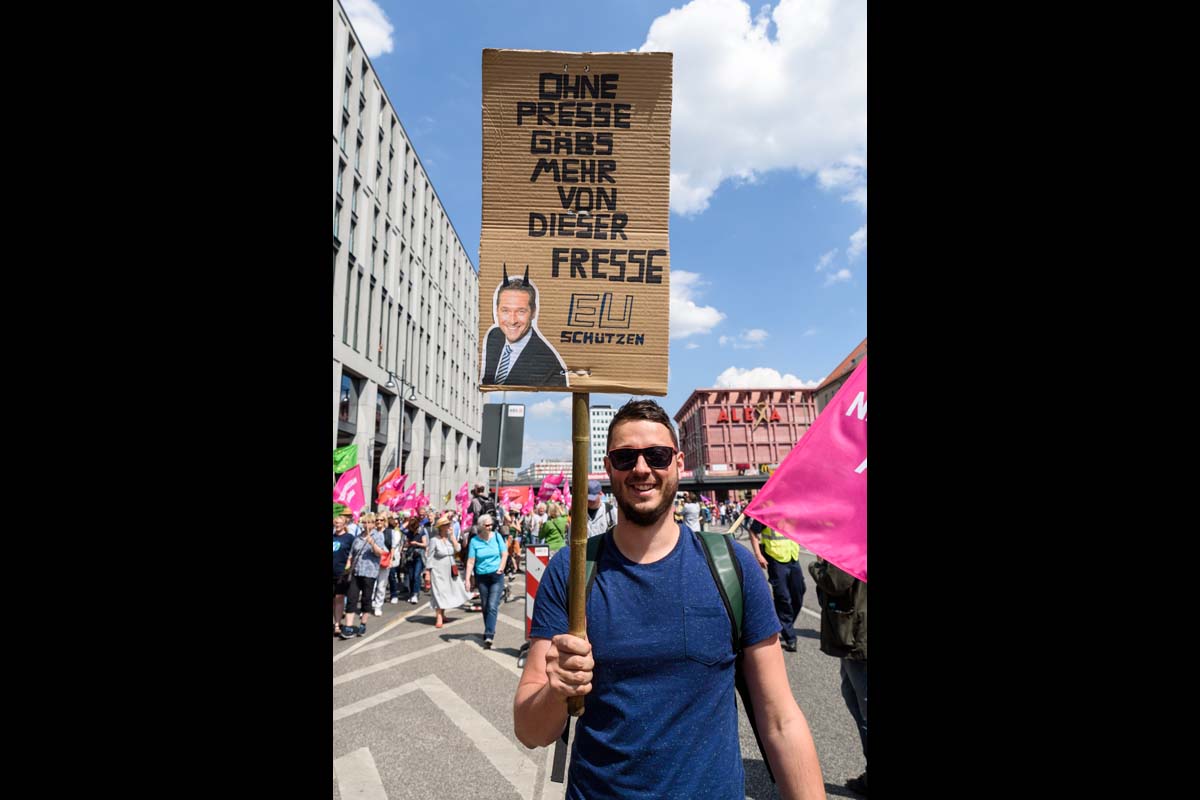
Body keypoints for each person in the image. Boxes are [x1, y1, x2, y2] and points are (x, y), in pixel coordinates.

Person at [514, 399, 826, 799]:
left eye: (656, 455)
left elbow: (781, 720)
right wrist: (557, 690)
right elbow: (530, 731)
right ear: (608, 469)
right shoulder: (571, 570)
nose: (641, 468)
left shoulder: (733, 567)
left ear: (678, 463)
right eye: (625, 457)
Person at [808, 557, 867, 797]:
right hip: (854, 634)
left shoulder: (853, 544)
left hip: (858, 635)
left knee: (862, 706)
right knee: (852, 695)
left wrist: (817, 566)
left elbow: (835, 580)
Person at [480, 265, 568, 387]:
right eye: (505, 310)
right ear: (496, 310)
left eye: (521, 311)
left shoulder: (549, 368)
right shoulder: (494, 336)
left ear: (533, 312)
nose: (512, 320)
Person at [747, 516, 807, 653]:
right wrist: (758, 555)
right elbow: (753, 531)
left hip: (793, 557)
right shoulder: (768, 512)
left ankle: (785, 622)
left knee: (799, 592)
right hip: (776, 560)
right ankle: (790, 637)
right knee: (783, 598)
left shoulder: (792, 510)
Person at [466, 514, 507, 649]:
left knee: (492, 605)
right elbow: (471, 561)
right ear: (480, 527)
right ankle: (488, 628)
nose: (490, 527)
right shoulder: (475, 541)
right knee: (484, 606)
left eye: (491, 525)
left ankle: (489, 634)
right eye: (487, 525)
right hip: (481, 576)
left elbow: (504, 553)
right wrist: (467, 579)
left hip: (496, 576)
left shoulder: (497, 537)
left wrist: (501, 568)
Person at [343, 512, 386, 639]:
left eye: (369, 522)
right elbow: (351, 553)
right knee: (351, 598)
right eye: (364, 522)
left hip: (369, 572)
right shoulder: (357, 537)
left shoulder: (378, 535)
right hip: (356, 572)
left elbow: (380, 553)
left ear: (373, 524)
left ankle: (363, 623)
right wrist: (348, 564)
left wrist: (372, 543)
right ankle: (349, 626)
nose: (366, 524)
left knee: (366, 599)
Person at [426, 515, 470, 628]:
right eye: (446, 525)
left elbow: (458, 549)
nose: (448, 527)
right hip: (438, 570)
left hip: (450, 569)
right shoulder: (434, 540)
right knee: (439, 592)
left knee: (446, 591)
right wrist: (427, 572)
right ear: (440, 527)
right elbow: (429, 557)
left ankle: (443, 613)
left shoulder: (451, 538)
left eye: (448, 525)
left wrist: (452, 537)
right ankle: (439, 616)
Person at [332, 512, 356, 637]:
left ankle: (337, 624)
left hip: (341, 572)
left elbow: (353, 554)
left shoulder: (349, 538)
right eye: (336, 523)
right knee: (333, 599)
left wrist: (348, 567)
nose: (337, 525)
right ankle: (336, 620)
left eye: (339, 523)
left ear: (344, 524)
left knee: (339, 597)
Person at [371, 513, 396, 616]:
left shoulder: (390, 532)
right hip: (372, 561)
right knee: (371, 585)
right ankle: (367, 607)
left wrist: (391, 560)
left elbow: (392, 547)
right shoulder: (372, 532)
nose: (379, 522)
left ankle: (378, 606)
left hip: (385, 560)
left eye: (381, 520)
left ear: (384, 521)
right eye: (377, 520)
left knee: (382, 585)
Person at [403, 515, 428, 603]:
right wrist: (408, 519)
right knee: (410, 576)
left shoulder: (422, 532)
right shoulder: (408, 532)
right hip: (410, 555)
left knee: (416, 575)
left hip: (419, 555)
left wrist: (416, 543)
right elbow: (401, 528)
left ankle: (415, 594)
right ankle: (411, 593)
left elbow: (425, 544)